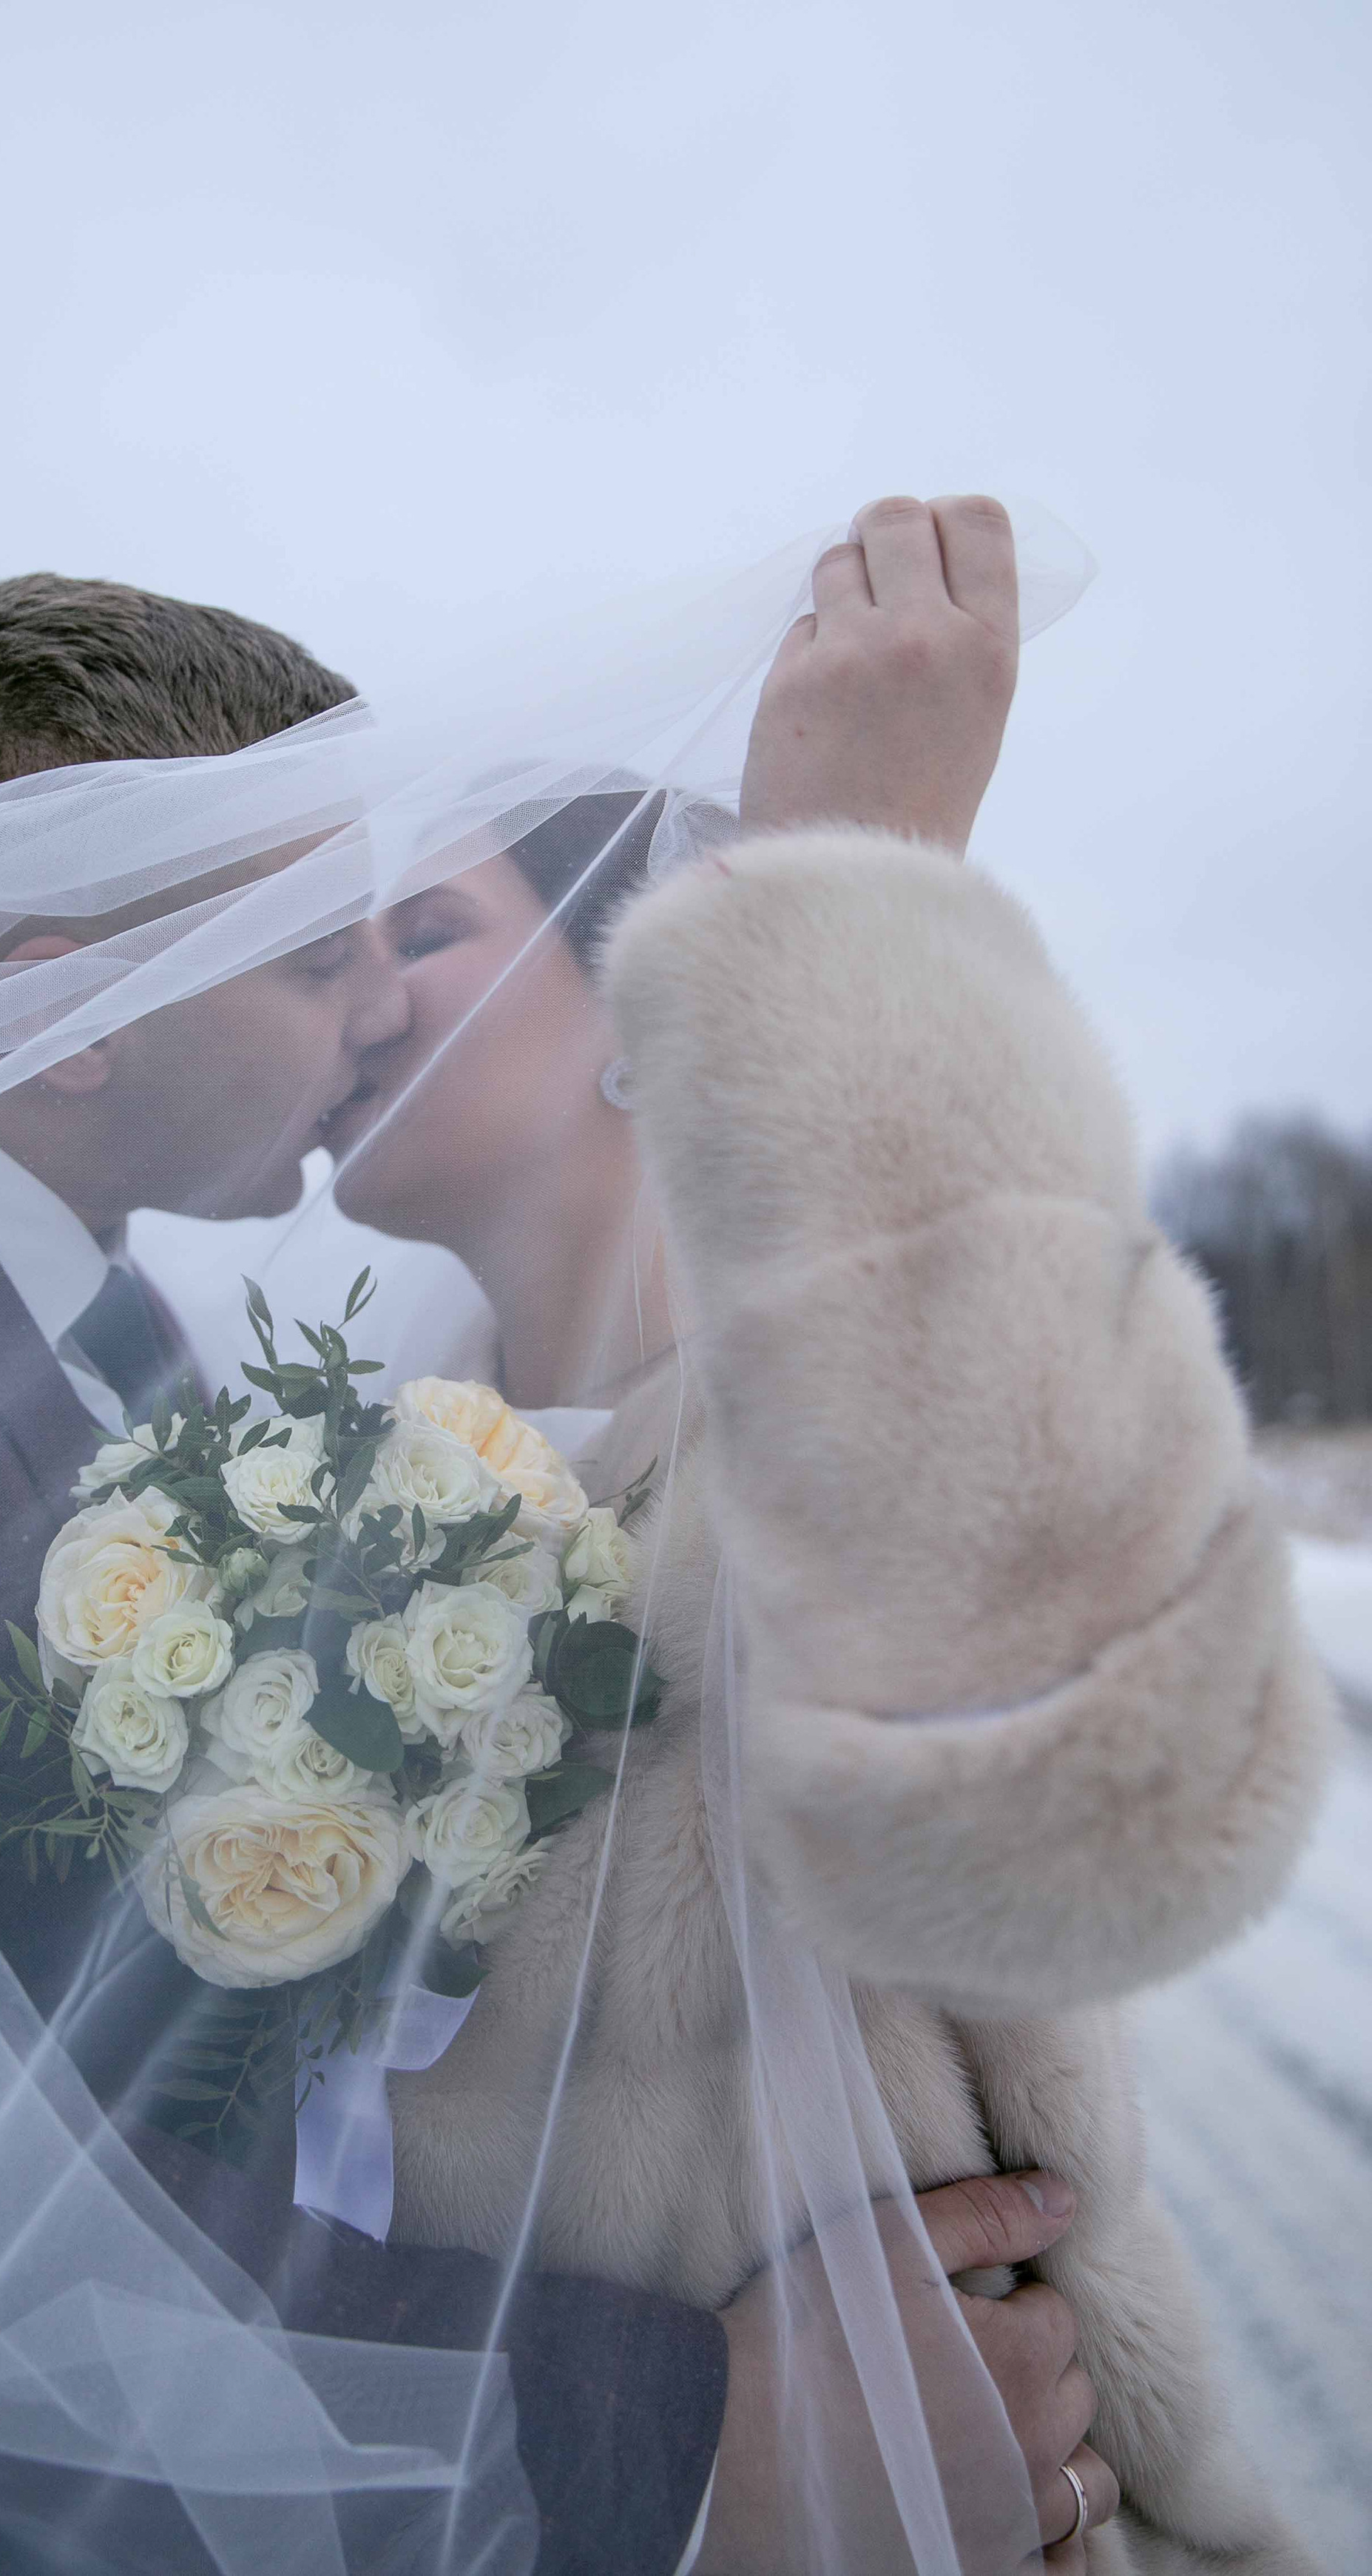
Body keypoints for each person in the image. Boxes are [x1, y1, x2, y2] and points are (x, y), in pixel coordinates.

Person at [0, 536, 1145, 2575]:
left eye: (397, 933)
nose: (376, 1009)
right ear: (63, 1006)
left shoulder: (86, 1333)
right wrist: (706, 2447)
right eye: (307, 947)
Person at [321, 498, 1334, 2567]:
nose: (340, 992)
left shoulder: (815, 1454)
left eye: (418, 931)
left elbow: (1127, 1814)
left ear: (643, 1010)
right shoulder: (356, 1519)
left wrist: (841, 897)